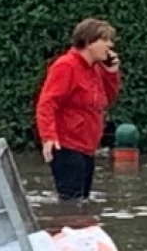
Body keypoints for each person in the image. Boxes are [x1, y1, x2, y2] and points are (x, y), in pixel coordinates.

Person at [35, 18, 122, 201]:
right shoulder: (66, 66)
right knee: (72, 202)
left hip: (87, 146)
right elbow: (47, 102)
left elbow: (106, 100)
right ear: (89, 42)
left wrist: (111, 74)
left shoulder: (95, 68)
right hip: (67, 145)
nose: (110, 45)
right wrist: (49, 136)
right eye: (105, 40)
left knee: (82, 200)